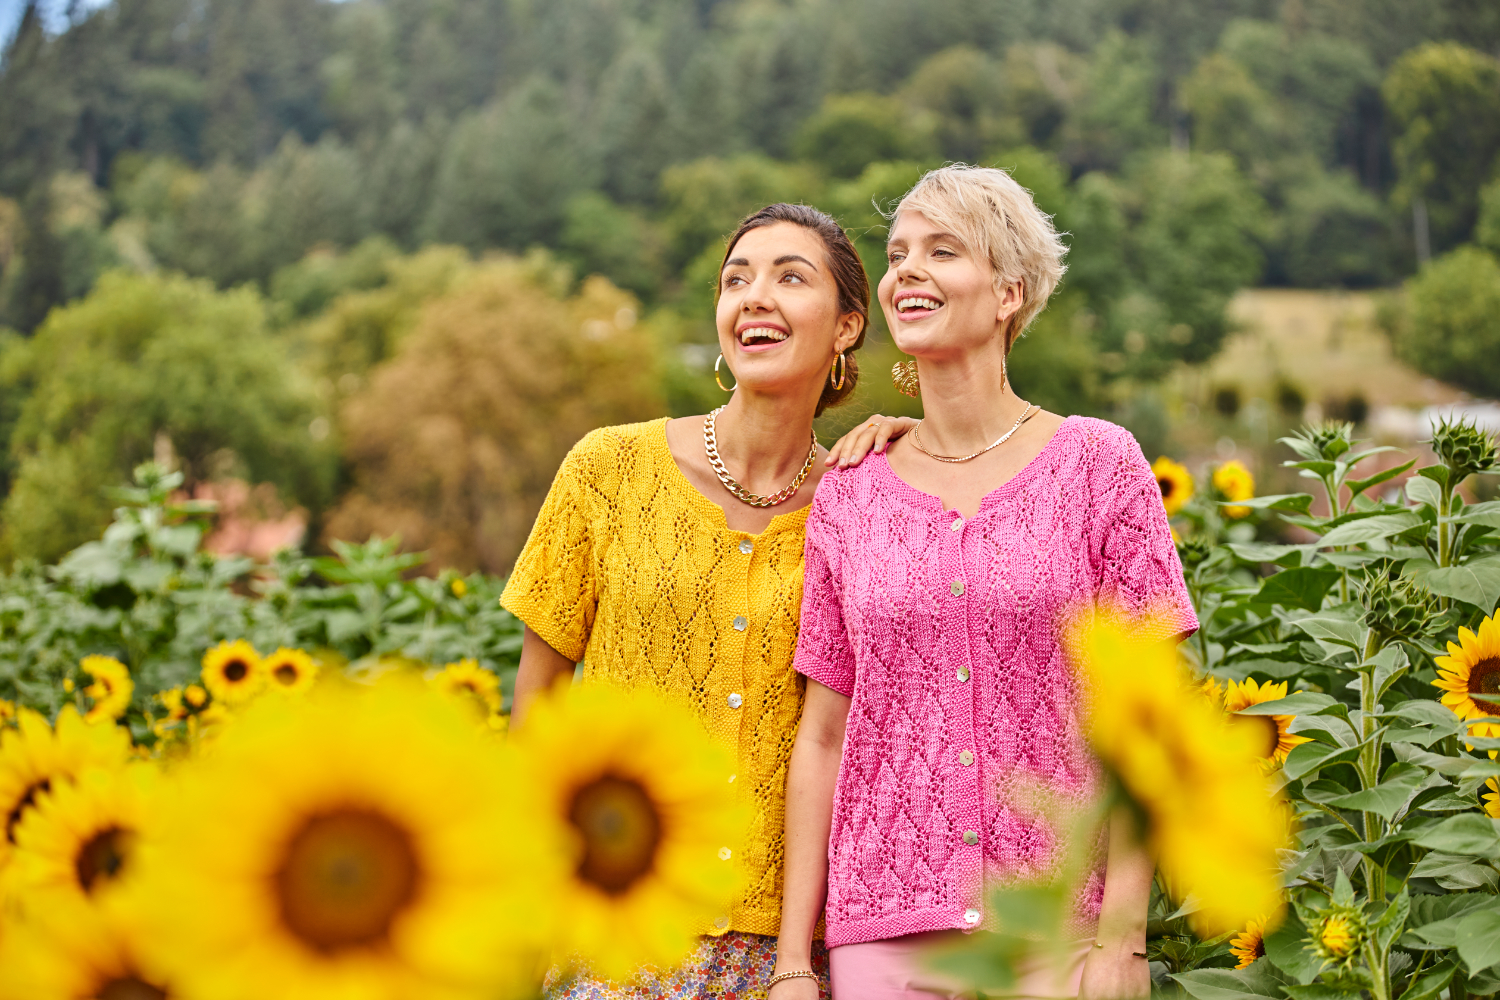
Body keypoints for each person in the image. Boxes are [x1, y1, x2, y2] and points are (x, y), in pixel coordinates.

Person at [771, 165, 1198, 1000]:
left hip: (1057, 930)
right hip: (882, 935)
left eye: (943, 250)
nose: (907, 272)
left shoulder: (1099, 465)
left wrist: (1124, 942)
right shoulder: (852, 493)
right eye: (897, 255)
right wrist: (795, 959)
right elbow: (823, 736)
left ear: (1009, 293)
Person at [502, 202, 914, 999]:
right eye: (736, 279)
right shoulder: (608, 468)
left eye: (790, 277)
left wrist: (917, 444)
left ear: (847, 327)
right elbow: (538, 705)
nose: (754, 296)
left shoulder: (864, 503)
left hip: (785, 953)